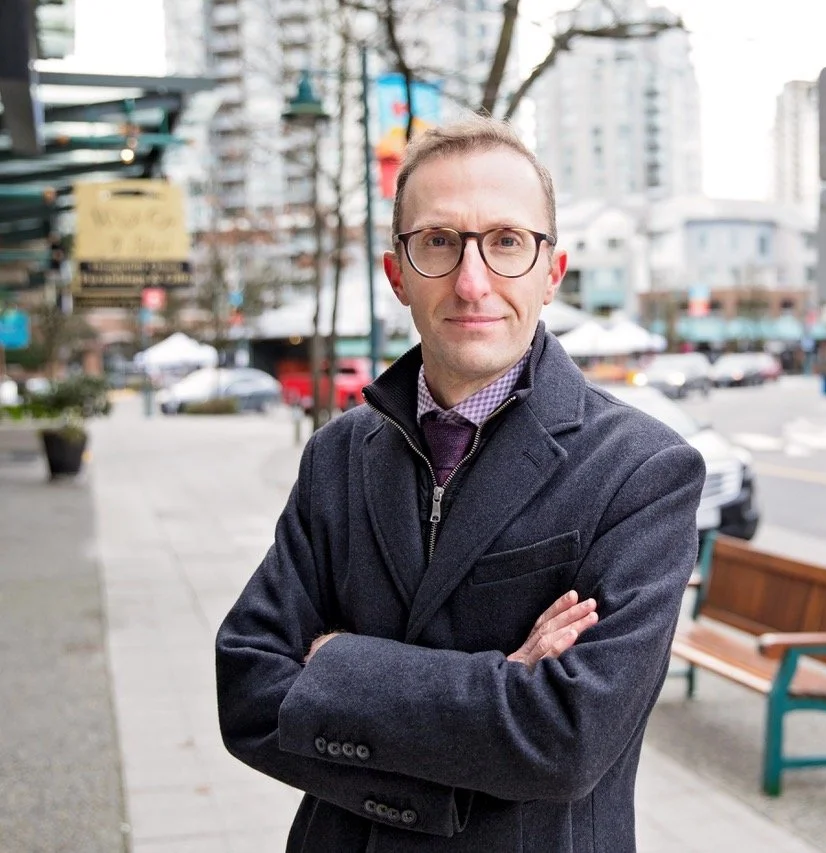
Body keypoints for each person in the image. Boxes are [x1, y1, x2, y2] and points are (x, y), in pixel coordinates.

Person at [215, 116, 706, 852]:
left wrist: (335, 668)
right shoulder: (336, 456)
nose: (473, 281)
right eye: (439, 242)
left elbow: (567, 739)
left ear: (552, 271)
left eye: (506, 241)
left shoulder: (642, 471)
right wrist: (498, 690)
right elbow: (248, 691)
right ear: (398, 274)